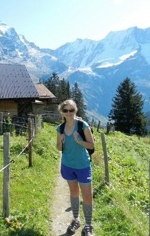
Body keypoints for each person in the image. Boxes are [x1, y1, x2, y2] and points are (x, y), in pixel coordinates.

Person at [56, 99, 94, 236]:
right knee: (73, 193)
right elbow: (59, 148)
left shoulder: (82, 126)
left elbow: (91, 145)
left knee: (87, 196)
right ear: (62, 112)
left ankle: (88, 225)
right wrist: (60, 142)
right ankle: (76, 219)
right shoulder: (60, 129)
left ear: (75, 110)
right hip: (67, 165)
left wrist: (80, 141)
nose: (69, 113)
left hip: (83, 165)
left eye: (71, 110)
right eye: (65, 110)